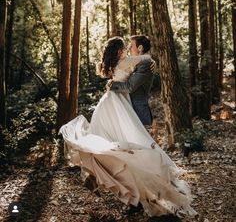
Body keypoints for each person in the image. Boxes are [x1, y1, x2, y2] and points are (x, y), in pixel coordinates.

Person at [59, 36, 197, 218]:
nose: (127, 49)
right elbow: (143, 62)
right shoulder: (126, 62)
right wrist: (150, 59)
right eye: (124, 47)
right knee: (124, 146)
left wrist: (147, 62)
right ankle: (131, 186)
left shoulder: (112, 64)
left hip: (107, 105)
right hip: (118, 106)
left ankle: (101, 173)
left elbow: (132, 79)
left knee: (106, 142)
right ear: (119, 51)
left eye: (129, 46)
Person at [107, 35, 154, 126]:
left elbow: (130, 87)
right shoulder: (135, 62)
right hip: (128, 108)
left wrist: (112, 84)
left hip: (139, 111)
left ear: (140, 48)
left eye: (131, 45)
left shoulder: (146, 64)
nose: (128, 48)